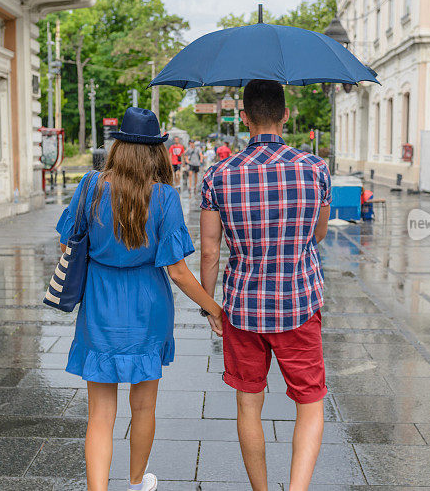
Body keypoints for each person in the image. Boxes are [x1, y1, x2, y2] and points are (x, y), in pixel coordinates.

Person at [56, 107, 223, 491]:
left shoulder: (90, 185)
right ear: (156, 152)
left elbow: (67, 240)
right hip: (148, 305)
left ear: (117, 148)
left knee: (100, 414)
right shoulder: (163, 196)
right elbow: (178, 271)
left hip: (100, 303)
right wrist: (213, 308)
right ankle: (135, 483)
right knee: (144, 407)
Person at [199, 80, 331, 491]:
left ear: (244, 119)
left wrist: (209, 306)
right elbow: (319, 235)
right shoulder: (315, 169)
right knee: (309, 403)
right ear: (286, 115)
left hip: (243, 309)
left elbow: (208, 251)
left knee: (248, 404)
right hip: (299, 305)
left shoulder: (218, 174)